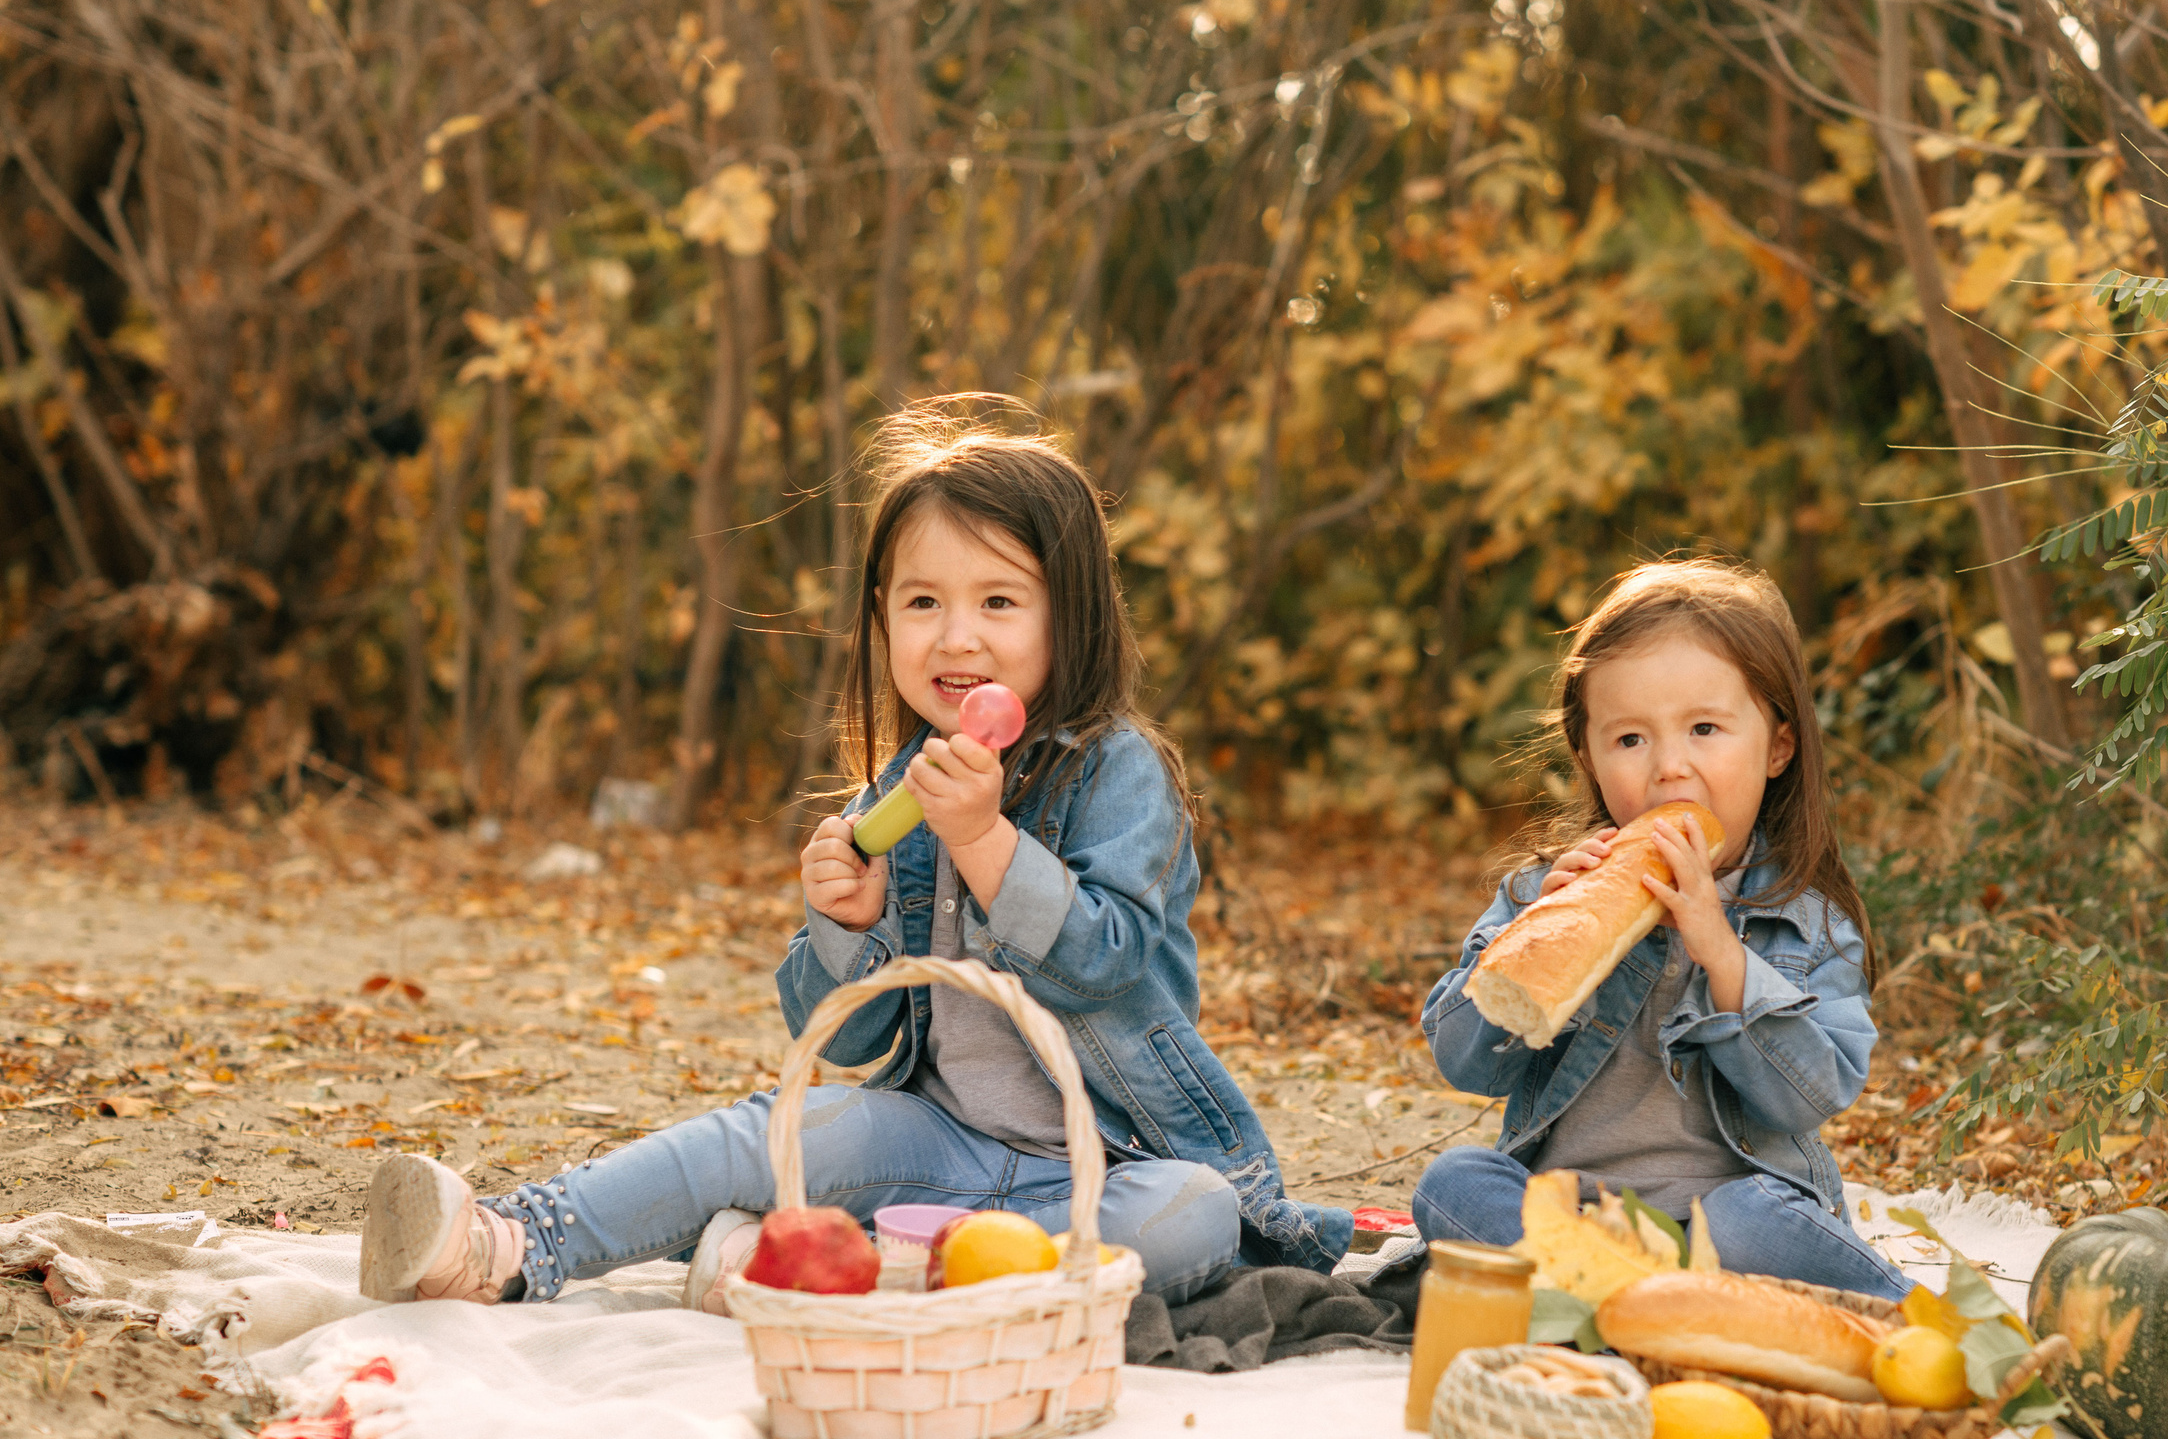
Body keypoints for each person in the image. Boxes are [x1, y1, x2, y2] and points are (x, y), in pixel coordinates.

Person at [358, 398, 1349, 1312]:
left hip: (1116, 1157)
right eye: (921, 603)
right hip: (941, 1141)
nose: (955, 637)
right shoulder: (896, 794)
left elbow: (1110, 959)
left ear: (1071, 615)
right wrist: (843, 929)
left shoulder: (1117, 773)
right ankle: (512, 1244)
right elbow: (835, 1043)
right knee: (772, 1129)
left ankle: (860, 1265)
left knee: (1194, 1218)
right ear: (880, 615)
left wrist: (987, 840)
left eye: (999, 602)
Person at [1411, 558, 1909, 1299]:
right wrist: (1538, 938)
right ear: (1588, 756)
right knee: (1452, 1183)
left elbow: (1813, 1095)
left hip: (1728, 1218)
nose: (1670, 767)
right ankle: (1653, 1305)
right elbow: (1464, 1063)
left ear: (1777, 745)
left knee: (1754, 1216)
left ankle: (1902, 1313)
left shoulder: (1808, 918)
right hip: (1576, 1215)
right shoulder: (1546, 893)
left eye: (1704, 728)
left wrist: (1723, 955)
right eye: (1631, 740)